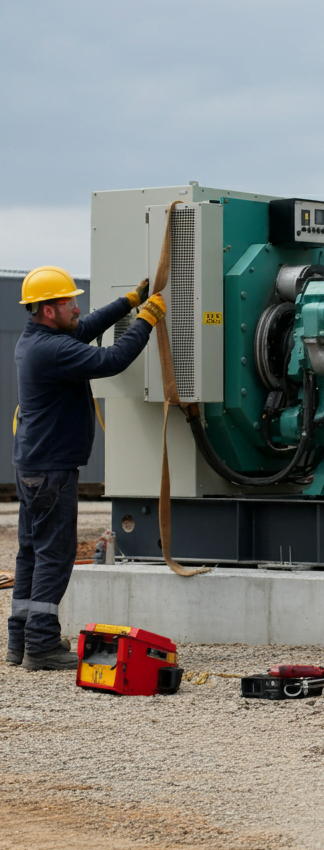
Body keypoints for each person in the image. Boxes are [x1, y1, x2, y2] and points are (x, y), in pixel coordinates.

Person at [7, 266, 166, 670]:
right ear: (47, 310)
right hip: (52, 471)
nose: (77, 307)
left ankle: (19, 638)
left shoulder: (38, 338)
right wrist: (146, 320)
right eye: (68, 302)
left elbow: (89, 324)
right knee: (54, 556)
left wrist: (129, 302)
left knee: (30, 552)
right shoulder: (53, 350)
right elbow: (112, 359)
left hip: (33, 465)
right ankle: (41, 645)